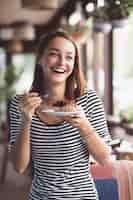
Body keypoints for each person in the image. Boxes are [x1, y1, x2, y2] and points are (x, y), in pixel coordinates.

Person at [9, 29, 113, 200]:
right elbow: (19, 167)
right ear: (40, 59)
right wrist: (26, 121)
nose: (62, 62)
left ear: (74, 64)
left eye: (69, 57)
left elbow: (105, 159)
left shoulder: (88, 100)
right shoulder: (21, 104)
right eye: (54, 54)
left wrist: (84, 125)